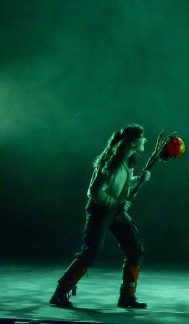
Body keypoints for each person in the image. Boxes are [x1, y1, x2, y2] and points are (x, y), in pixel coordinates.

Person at [49, 124, 152, 309]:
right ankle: (59, 293)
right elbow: (94, 192)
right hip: (99, 211)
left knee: (134, 249)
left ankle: (127, 297)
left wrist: (139, 180)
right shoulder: (111, 162)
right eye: (142, 137)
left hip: (115, 211)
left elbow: (120, 187)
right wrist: (116, 204)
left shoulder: (128, 160)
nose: (145, 140)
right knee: (90, 253)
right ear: (134, 141)